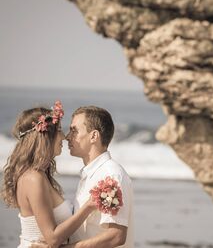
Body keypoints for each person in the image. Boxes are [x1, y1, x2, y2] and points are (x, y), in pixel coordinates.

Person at [1, 102, 96, 248]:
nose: (64, 136)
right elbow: (52, 238)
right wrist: (88, 207)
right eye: (58, 130)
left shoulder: (38, 174)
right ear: (45, 136)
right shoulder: (33, 178)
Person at [61, 106, 134, 248]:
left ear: (94, 136)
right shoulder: (91, 174)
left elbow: (116, 236)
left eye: (74, 130)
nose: (67, 136)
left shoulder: (110, 175)